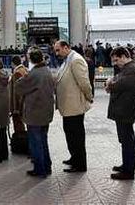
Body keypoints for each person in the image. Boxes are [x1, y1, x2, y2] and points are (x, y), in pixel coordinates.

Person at [54, 40, 93, 173]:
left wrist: (89, 97)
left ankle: (80, 164)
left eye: (58, 50)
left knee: (76, 136)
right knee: (70, 134)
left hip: (75, 106)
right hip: (68, 107)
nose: (56, 53)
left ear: (66, 48)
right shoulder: (67, 60)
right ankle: (74, 158)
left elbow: (84, 83)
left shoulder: (76, 60)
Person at [16, 47, 54, 178]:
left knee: (36, 142)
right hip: (46, 111)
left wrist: (22, 76)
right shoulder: (47, 71)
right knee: (43, 140)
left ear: (30, 59)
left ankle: (39, 169)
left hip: (35, 113)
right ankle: (47, 166)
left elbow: (19, 87)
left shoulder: (34, 73)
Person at [105, 47, 135, 180]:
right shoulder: (127, 69)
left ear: (123, 56)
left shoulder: (132, 69)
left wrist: (110, 84)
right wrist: (111, 82)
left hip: (126, 111)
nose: (115, 63)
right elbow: (115, 80)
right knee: (125, 141)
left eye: (116, 60)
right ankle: (126, 165)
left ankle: (128, 171)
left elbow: (117, 84)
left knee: (128, 142)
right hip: (122, 111)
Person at [8, 55, 28, 133]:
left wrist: (16, 108)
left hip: (17, 105)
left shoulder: (17, 73)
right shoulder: (24, 70)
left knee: (18, 125)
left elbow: (16, 92)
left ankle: (20, 141)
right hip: (24, 103)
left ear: (13, 63)